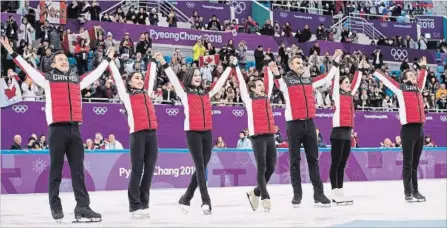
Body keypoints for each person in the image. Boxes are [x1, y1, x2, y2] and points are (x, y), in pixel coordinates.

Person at [1, 37, 114, 222]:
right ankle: (55, 204)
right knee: (56, 170)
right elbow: (28, 69)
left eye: (65, 60)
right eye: (60, 59)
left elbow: (95, 74)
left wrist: (108, 59)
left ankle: (83, 207)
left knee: (78, 171)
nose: (64, 61)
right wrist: (12, 52)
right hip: (56, 130)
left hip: (75, 130)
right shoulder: (48, 79)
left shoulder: (77, 80)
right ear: (53, 64)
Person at [154, 52, 233, 215]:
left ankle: (186, 197)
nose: (198, 77)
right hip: (192, 133)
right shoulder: (184, 93)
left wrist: (230, 66)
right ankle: (206, 201)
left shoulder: (207, 93)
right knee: (200, 166)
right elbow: (173, 78)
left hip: (207, 133)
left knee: (202, 166)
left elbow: (220, 83)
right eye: (195, 75)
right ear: (189, 77)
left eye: (199, 74)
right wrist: (163, 61)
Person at [275, 49, 343, 207]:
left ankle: (318, 194)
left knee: (313, 160)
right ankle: (297, 194)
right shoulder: (286, 81)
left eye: (302, 63)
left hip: (309, 124)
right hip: (294, 125)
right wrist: (276, 73)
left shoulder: (308, 81)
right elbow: (278, 83)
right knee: (295, 161)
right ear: (291, 65)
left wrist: (336, 61)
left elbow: (327, 77)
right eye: (297, 63)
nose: (301, 65)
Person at [373, 57, 428, 202]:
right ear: (404, 80)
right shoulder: (400, 89)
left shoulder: (418, 88)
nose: (414, 76)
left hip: (420, 129)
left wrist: (423, 68)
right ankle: (408, 192)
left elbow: (422, 78)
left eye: (414, 74)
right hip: (408, 130)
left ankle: (416, 191)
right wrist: (373, 69)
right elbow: (386, 80)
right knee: (408, 163)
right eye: (410, 75)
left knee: (415, 163)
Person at [109, 60, 158, 218]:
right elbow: (116, 78)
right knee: (137, 170)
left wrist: (153, 61)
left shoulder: (147, 93)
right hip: (137, 135)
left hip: (152, 135)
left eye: (140, 78)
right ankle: (134, 205)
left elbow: (150, 77)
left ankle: (144, 203)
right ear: (129, 82)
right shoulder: (127, 96)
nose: (140, 80)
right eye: (136, 78)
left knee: (149, 171)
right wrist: (110, 62)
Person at [235, 61, 280, 212]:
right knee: (262, 167)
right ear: (253, 89)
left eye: (263, 85)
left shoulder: (267, 97)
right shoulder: (249, 100)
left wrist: (268, 67)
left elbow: (269, 80)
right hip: (257, 137)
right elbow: (241, 83)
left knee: (272, 167)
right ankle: (265, 196)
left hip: (270, 136)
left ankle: (254, 192)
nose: (263, 87)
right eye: (259, 85)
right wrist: (235, 67)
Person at [329, 60, 366, 205]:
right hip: (337, 132)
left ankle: (340, 191)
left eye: (348, 83)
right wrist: (336, 63)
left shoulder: (350, 96)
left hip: (347, 132)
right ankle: (334, 193)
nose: (348, 85)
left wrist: (360, 69)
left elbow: (356, 82)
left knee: (343, 164)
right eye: (345, 83)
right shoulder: (336, 95)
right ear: (339, 85)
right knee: (336, 164)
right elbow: (334, 80)